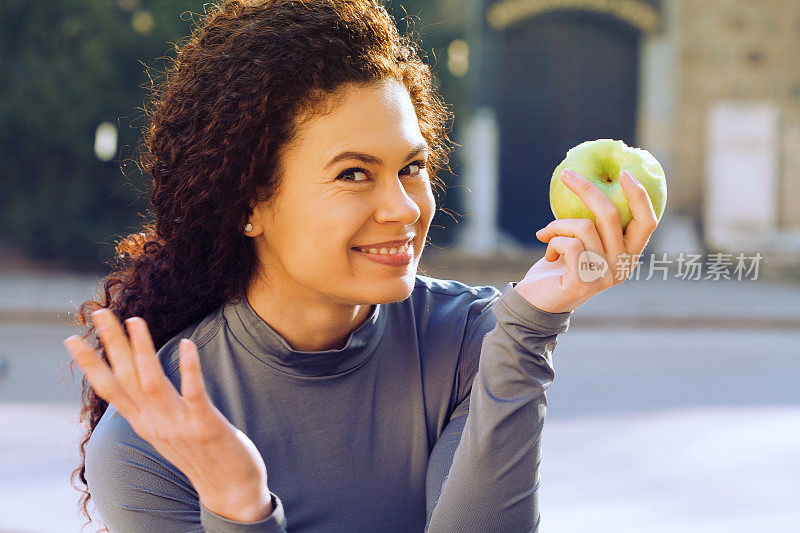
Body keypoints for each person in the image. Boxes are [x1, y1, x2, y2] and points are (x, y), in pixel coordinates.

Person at [64, 1, 661, 531]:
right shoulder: (149, 445)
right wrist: (238, 503)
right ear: (248, 204)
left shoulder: (474, 343)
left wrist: (532, 324)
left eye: (411, 167)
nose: (404, 207)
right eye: (354, 173)